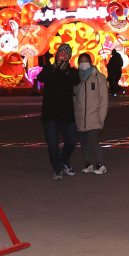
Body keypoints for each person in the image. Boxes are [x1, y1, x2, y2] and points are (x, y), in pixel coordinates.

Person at [38, 44, 81, 179]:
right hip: (50, 113)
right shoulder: (49, 68)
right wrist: (54, 68)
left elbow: (75, 80)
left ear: (69, 56)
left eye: (66, 53)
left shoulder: (72, 71)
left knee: (72, 140)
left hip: (66, 114)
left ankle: (64, 162)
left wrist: (65, 70)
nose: (62, 55)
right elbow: (41, 78)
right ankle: (57, 169)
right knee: (52, 144)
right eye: (61, 52)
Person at [74, 52, 109, 174]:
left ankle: (100, 165)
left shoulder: (99, 77)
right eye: (81, 62)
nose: (83, 64)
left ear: (90, 62)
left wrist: (101, 118)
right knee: (84, 142)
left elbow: (104, 100)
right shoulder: (76, 79)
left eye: (85, 61)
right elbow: (74, 98)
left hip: (94, 117)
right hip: (80, 118)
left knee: (93, 141)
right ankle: (88, 164)